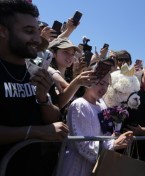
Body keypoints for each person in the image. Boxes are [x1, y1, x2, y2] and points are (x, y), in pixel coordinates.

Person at [0, 1, 69, 175]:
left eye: (37, 32)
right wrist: (35, 132)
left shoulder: (37, 72)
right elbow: (45, 130)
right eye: (29, 31)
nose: (38, 40)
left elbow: (53, 119)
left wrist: (43, 99)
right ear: (3, 31)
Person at [58, 73, 133, 176]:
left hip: (94, 167)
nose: (104, 88)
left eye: (107, 85)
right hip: (76, 167)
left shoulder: (101, 106)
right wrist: (113, 144)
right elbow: (83, 145)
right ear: (88, 81)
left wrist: (115, 139)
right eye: (101, 83)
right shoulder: (80, 104)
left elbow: (103, 136)